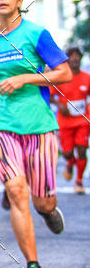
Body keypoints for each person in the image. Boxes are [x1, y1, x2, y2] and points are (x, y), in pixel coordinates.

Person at [0, 0, 71, 268]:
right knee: (17, 191)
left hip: (38, 125)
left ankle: (47, 210)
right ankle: (32, 265)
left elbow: (64, 72)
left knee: (41, 201)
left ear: (19, 0)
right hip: (0, 125)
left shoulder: (35, 33)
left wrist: (25, 78)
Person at [50, 46, 90, 194]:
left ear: (80, 59)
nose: (74, 58)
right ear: (67, 60)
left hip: (83, 121)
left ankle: (79, 181)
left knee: (81, 149)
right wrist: (59, 104)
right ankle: (70, 163)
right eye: (71, 56)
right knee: (67, 153)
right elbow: (49, 95)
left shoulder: (87, 77)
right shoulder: (61, 78)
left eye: (77, 56)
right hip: (65, 122)